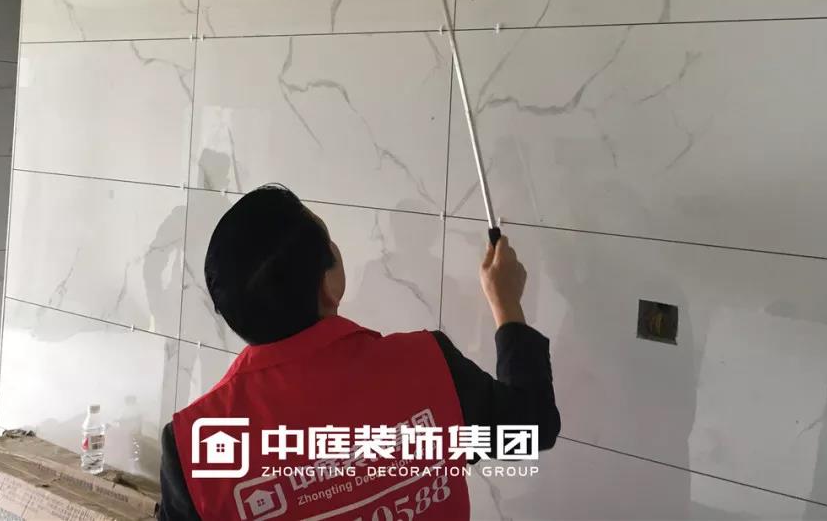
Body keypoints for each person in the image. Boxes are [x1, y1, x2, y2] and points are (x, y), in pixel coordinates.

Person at [159, 184, 560, 520]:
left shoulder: (194, 446)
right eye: (330, 245)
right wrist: (506, 301)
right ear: (328, 286)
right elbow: (530, 427)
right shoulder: (428, 365)